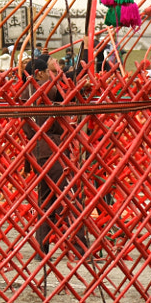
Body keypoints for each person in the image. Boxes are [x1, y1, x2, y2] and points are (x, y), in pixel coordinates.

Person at [22, 54, 87, 260]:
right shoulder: (39, 88)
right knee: (69, 197)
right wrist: (64, 76)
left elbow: (63, 93)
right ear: (39, 74)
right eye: (47, 72)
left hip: (38, 151)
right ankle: (80, 248)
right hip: (51, 149)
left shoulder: (28, 91)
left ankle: (41, 248)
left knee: (46, 201)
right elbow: (61, 92)